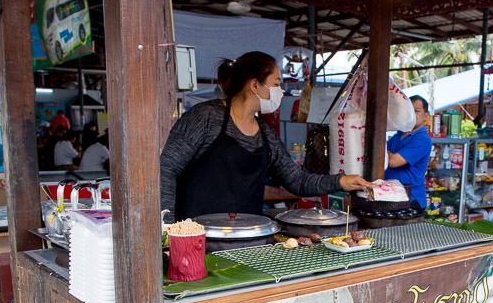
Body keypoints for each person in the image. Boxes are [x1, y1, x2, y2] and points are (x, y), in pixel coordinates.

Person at [159, 51, 372, 222]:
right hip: (197, 238)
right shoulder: (205, 117)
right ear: (254, 85)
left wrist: (341, 181)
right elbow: (167, 168)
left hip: (249, 238)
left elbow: (297, 181)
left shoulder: (266, 134)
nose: (280, 91)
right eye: (277, 83)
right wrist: (168, 227)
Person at [385, 95, 432, 210]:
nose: (412, 114)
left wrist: (388, 153)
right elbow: (382, 154)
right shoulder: (399, 135)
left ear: (426, 116)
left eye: (417, 111)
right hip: (393, 197)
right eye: (409, 111)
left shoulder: (422, 139)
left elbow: (392, 161)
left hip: (411, 200)